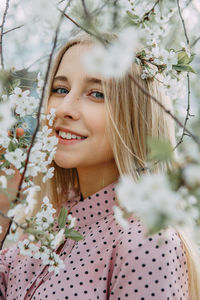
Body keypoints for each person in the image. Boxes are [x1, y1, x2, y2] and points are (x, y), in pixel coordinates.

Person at [0, 33, 200, 300]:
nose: (64, 109)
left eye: (96, 94)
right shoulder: (48, 223)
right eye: (60, 90)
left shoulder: (147, 241)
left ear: (135, 115)